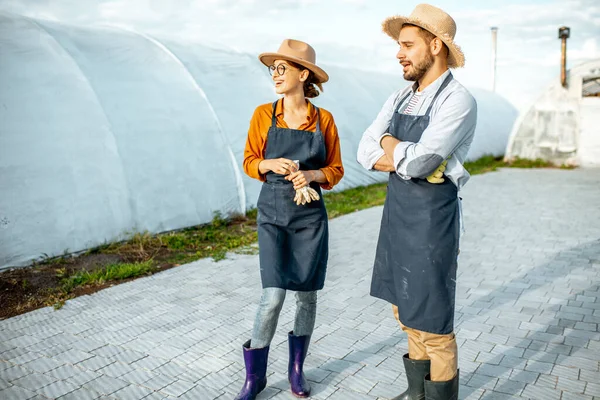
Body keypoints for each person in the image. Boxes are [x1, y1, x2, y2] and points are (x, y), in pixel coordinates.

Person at [357, 4, 478, 400]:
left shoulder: (458, 101)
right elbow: (364, 150)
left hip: (431, 223)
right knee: (404, 311)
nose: (399, 53)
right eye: (399, 45)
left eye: (407, 44)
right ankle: (417, 394)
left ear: (436, 46)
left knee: (434, 323)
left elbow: (425, 160)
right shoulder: (398, 98)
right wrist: (406, 158)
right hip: (397, 218)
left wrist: (391, 145)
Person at [238, 38, 344, 400]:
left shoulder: (323, 119)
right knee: (273, 296)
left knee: (306, 297)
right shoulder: (263, 115)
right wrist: (268, 164)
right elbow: (250, 160)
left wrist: (312, 175)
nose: (276, 74)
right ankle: (255, 378)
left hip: (310, 217)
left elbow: (336, 169)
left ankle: (296, 370)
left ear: (303, 74)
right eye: (274, 68)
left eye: (284, 68)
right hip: (272, 213)